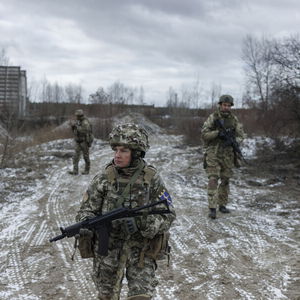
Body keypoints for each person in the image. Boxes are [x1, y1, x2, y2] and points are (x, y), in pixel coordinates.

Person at [75, 123, 176, 300]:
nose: (117, 155)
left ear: (136, 153)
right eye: (116, 150)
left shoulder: (151, 179)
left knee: (141, 297)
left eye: (124, 151)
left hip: (140, 252)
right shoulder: (104, 178)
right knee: (106, 296)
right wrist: (86, 224)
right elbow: (86, 209)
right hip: (108, 251)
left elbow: (167, 214)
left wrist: (143, 223)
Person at [201, 95, 245, 219]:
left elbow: (241, 135)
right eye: (224, 105)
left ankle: (222, 205)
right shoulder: (213, 118)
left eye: (228, 105)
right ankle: (212, 208)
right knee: (213, 179)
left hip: (228, 155)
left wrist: (234, 141)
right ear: (220, 105)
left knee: (225, 180)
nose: (226, 107)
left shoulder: (234, 120)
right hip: (213, 153)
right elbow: (204, 134)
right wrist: (217, 133)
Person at [69, 109, 93, 175]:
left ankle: (87, 170)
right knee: (75, 156)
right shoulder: (78, 121)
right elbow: (75, 132)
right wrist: (73, 127)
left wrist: (76, 127)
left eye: (77, 116)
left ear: (80, 116)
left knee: (86, 156)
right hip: (78, 141)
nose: (76, 117)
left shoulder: (85, 122)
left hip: (84, 142)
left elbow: (85, 131)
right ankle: (75, 171)